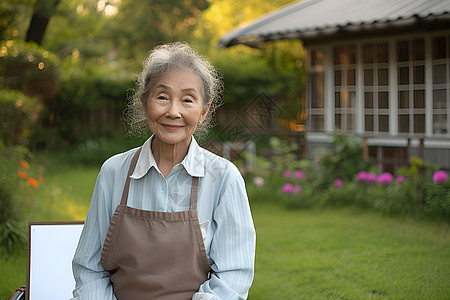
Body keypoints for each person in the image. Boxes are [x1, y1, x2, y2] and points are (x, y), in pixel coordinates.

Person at [71, 42, 256, 300]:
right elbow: (89, 269)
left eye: (188, 100)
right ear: (145, 102)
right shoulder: (113, 172)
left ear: (204, 112)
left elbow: (233, 277)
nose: (173, 111)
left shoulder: (224, 178)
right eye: (162, 97)